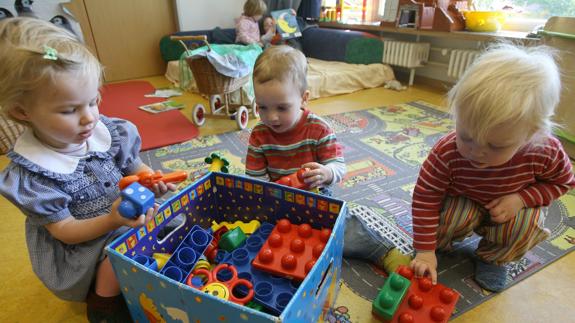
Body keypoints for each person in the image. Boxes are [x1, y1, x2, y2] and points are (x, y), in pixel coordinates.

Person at [0, 18, 176, 322]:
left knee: (169, 217)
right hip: (84, 244)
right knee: (116, 254)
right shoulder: (34, 173)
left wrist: (150, 178)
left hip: (122, 213)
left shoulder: (106, 132)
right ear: (22, 112)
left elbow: (133, 165)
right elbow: (66, 232)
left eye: (94, 101)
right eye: (70, 110)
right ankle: (103, 305)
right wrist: (111, 220)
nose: (89, 118)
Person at [410, 43, 575, 292]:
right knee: (447, 219)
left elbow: (563, 182)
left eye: (496, 146)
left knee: (525, 225)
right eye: (466, 137)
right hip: (464, 203)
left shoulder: (544, 151)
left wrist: (522, 198)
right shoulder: (446, 152)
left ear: (531, 133)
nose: (476, 151)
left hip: (512, 210)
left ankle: (493, 257)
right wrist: (424, 250)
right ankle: (438, 247)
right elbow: (425, 197)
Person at [246, 45, 410, 272]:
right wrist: (266, 197)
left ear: (304, 99)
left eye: (282, 108)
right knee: (257, 238)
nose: (271, 117)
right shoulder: (258, 134)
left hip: (317, 199)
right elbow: (254, 180)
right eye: (262, 107)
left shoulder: (319, 129)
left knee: (346, 232)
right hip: (278, 202)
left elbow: (339, 167)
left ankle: (383, 251)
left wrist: (327, 173)